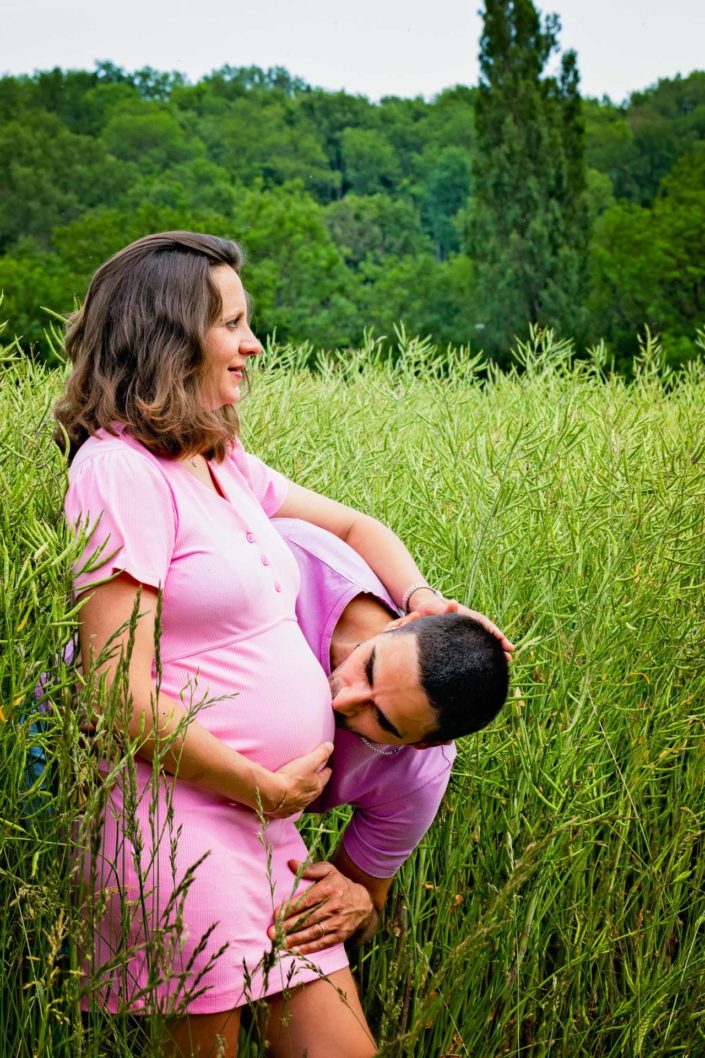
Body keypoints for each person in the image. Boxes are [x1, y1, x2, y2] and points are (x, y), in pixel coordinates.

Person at [55, 230, 506, 1058]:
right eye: (232, 324)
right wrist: (257, 786)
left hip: (265, 824)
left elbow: (349, 522)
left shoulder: (218, 461)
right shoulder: (118, 474)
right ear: (170, 336)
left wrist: (421, 600)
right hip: (181, 815)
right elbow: (115, 692)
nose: (251, 344)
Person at [266, 518, 510, 955]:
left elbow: (368, 903)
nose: (343, 701)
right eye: (369, 666)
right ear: (402, 624)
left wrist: (357, 906)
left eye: (380, 718)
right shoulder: (294, 562)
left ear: (422, 743)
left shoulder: (418, 774)